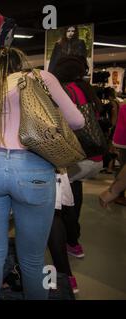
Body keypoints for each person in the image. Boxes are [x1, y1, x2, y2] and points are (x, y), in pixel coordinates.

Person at [0, 47, 84, 300]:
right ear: (20, 62)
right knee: (31, 259)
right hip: (33, 168)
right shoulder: (40, 79)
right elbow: (77, 122)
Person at [52, 55, 104, 261]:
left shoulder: (65, 91)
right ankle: (73, 241)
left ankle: (69, 242)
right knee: (74, 194)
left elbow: (64, 123)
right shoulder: (87, 90)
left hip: (75, 155)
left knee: (61, 203)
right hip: (94, 155)